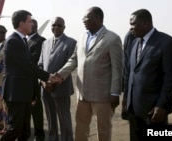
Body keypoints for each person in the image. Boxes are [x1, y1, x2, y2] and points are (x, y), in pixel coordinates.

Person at [56, 7, 123, 141]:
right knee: (80, 128)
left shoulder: (112, 38)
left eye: (87, 17)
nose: (83, 20)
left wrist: (115, 93)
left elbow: (117, 68)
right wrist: (59, 75)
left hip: (102, 96)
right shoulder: (82, 37)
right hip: (82, 94)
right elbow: (74, 59)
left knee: (103, 130)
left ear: (98, 18)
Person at [0, 10, 61, 141]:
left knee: (25, 131)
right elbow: (27, 65)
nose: (32, 24)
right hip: (15, 92)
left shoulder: (21, 40)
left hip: (23, 92)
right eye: (29, 21)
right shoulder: (13, 41)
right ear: (21, 23)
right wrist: (48, 76)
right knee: (14, 129)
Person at [122, 9, 172, 140]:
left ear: (145, 23)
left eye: (133, 24)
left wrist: (162, 105)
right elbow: (130, 72)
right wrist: (126, 97)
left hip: (153, 110)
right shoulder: (134, 42)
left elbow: (170, 78)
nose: (130, 28)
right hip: (133, 108)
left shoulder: (166, 42)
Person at [38, 16, 76, 141]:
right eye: (54, 25)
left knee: (63, 118)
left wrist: (53, 80)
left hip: (61, 87)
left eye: (59, 25)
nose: (56, 27)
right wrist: (43, 81)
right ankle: (53, 138)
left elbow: (69, 64)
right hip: (45, 88)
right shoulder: (45, 43)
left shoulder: (71, 42)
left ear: (64, 27)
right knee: (50, 116)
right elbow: (41, 64)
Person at [27, 19, 46, 141]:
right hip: (22, 79)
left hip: (33, 79)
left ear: (35, 26)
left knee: (36, 108)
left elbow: (34, 60)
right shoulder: (24, 39)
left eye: (31, 24)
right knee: (25, 109)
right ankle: (26, 132)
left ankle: (39, 135)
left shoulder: (40, 41)